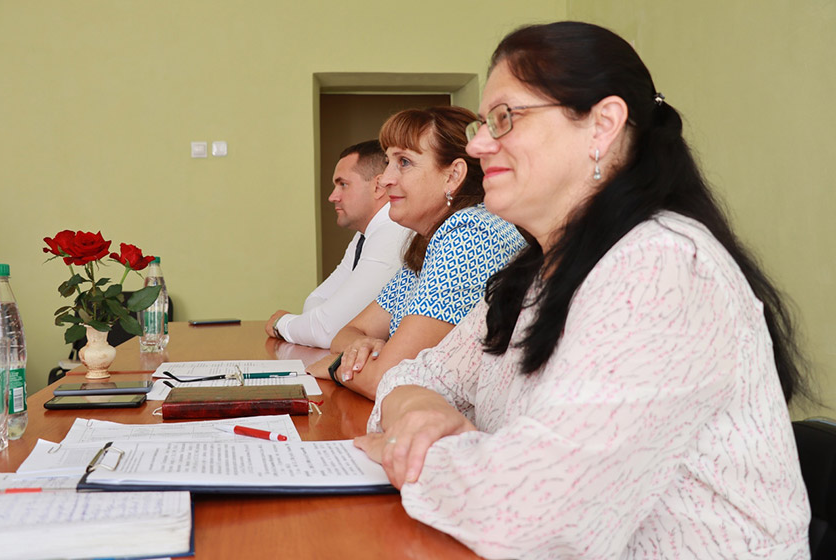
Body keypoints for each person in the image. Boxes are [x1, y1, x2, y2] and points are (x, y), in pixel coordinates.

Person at [354, 21, 811, 559]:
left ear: (602, 125)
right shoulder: (533, 275)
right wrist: (418, 411)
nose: (477, 145)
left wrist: (413, 450)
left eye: (504, 118)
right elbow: (413, 375)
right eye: (482, 123)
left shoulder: (664, 267)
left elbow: (534, 515)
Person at [310, 106, 527, 400]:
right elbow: (348, 333)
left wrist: (337, 367)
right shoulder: (429, 241)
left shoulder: (471, 233)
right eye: (387, 162)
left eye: (404, 162)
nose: (385, 178)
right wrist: (364, 349)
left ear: (453, 176)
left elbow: (387, 378)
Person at [265, 140, 410, 348]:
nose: (332, 197)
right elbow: (316, 301)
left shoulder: (393, 232)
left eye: (343, 184)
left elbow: (326, 330)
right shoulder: (365, 235)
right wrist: (314, 323)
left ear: (378, 187)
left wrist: (281, 324)